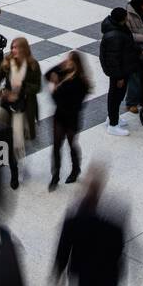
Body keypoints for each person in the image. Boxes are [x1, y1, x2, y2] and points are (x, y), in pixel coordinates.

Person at [54, 166, 125, 286]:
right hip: (108, 278)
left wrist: (57, 275)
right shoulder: (114, 219)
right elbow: (120, 251)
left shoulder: (74, 218)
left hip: (86, 277)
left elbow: (63, 251)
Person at [0, 38, 40, 191]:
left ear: (24, 49)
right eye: (12, 48)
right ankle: (7, 167)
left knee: (18, 142)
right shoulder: (7, 62)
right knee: (3, 138)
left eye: (16, 48)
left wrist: (21, 89)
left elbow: (37, 87)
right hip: (6, 107)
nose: (13, 51)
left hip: (22, 108)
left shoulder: (32, 65)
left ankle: (16, 171)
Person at [46, 51, 89, 191]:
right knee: (56, 146)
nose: (66, 62)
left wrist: (54, 89)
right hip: (60, 116)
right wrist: (61, 66)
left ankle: (75, 169)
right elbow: (47, 74)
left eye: (69, 60)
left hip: (71, 117)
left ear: (75, 63)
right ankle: (55, 175)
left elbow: (61, 100)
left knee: (71, 144)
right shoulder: (64, 72)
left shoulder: (81, 82)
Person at [99, 8, 137, 136]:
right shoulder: (114, 35)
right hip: (118, 72)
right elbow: (113, 59)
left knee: (117, 96)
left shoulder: (119, 28)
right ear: (121, 19)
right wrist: (119, 77)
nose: (127, 18)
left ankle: (112, 118)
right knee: (115, 97)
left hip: (122, 69)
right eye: (126, 16)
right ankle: (113, 125)